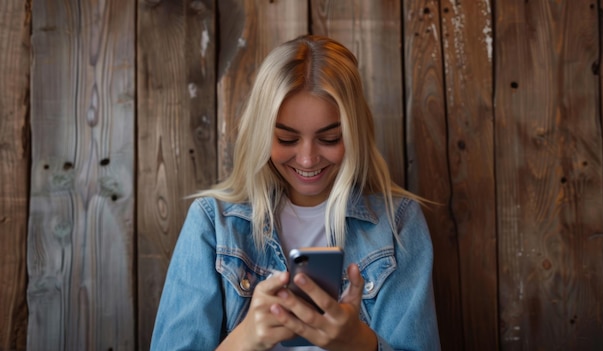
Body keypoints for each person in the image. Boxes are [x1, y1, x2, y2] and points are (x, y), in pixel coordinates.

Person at [150, 35, 440, 351]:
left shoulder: (397, 223)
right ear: (261, 134)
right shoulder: (213, 223)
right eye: (287, 139)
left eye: (329, 138)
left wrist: (360, 344)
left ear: (354, 133)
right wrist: (244, 339)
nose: (307, 159)